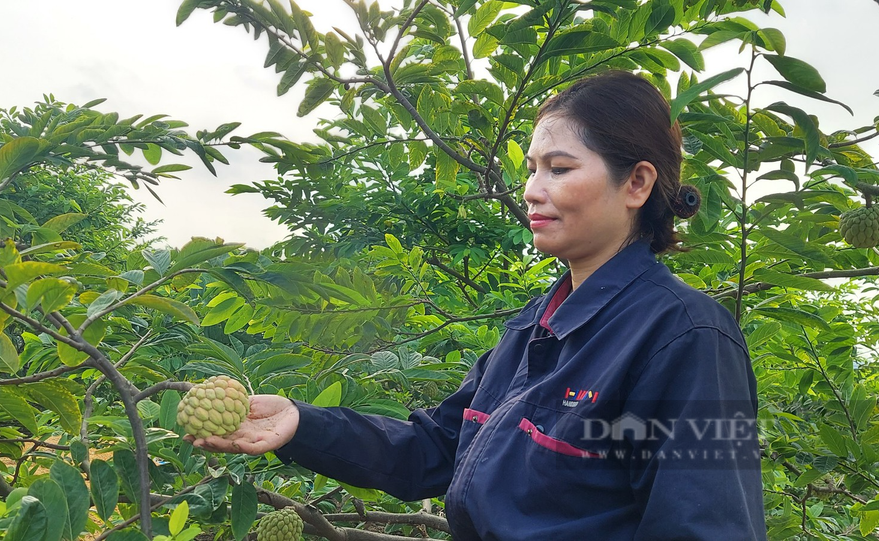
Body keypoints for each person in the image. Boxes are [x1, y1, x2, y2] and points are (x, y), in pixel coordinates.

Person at [187, 71, 766, 540]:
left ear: (637, 184)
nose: (533, 190)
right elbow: (437, 449)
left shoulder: (687, 335)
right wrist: (300, 424)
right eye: (532, 169)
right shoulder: (535, 327)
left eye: (559, 169)